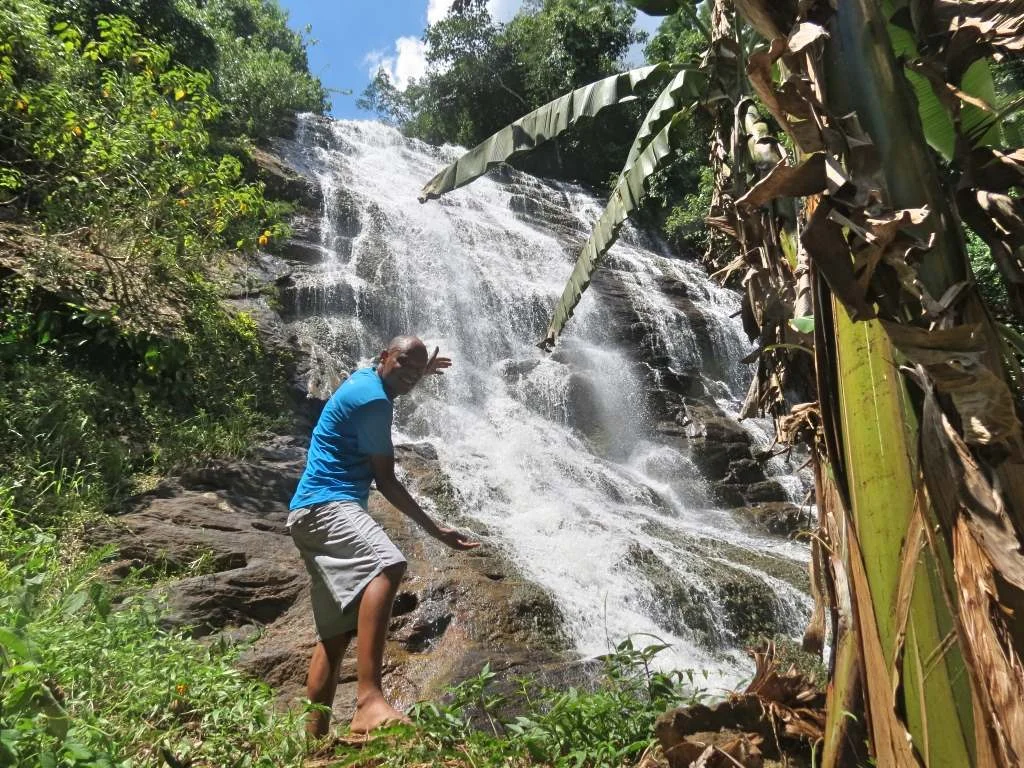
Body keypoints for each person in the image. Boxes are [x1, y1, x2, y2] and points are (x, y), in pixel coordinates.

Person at [287, 335, 479, 739]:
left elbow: (393, 375)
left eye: (416, 369)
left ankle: (314, 744)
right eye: (404, 365)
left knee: (335, 637)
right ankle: (368, 701)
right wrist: (436, 529)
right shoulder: (374, 402)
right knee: (388, 564)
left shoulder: (365, 381)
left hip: (306, 514)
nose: (410, 376)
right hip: (327, 505)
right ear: (383, 357)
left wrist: (415, 371)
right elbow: (387, 481)